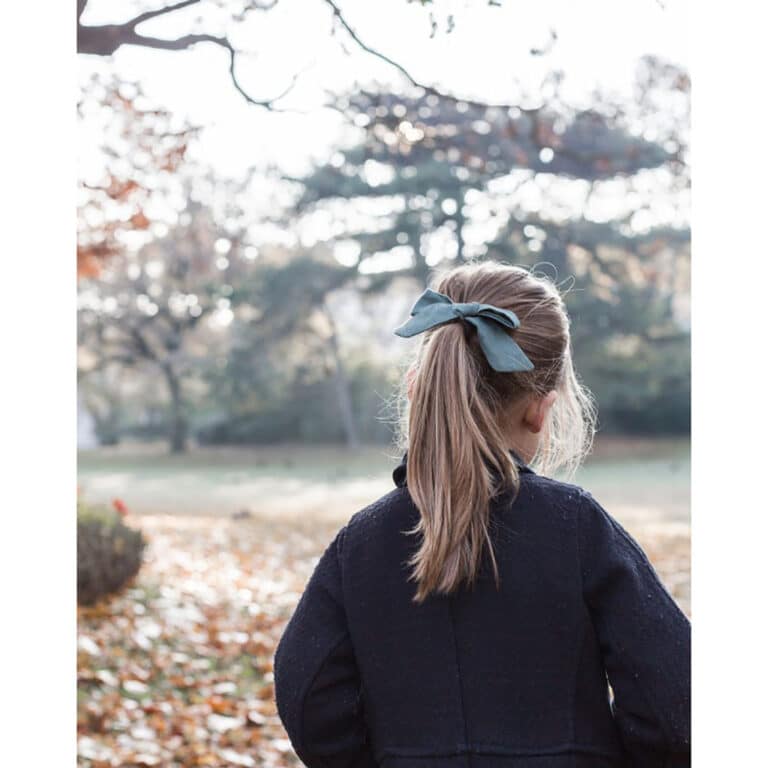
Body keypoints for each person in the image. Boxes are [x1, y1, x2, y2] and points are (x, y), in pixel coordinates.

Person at [273, 262, 691, 768]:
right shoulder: (577, 528)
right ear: (540, 410)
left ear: (417, 387)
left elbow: (307, 694)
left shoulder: (361, 542)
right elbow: (676, 703)